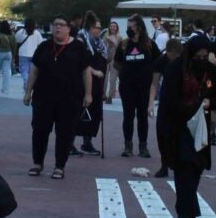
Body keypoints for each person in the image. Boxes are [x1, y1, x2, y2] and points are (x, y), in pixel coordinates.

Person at [155, 34, 216, 218]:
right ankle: (188, 214)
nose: (201, 61)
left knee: (197, 166)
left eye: (205, 57)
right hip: (177, 124)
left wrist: (208, 103)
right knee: (185, 164)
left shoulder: (209, 71)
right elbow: (168, 99)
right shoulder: (176, 69)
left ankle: (184, 206)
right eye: (198, 57)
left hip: (199, 125)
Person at [23, 16, 91, 179]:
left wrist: (88, 94)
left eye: (61, 25)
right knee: (40, 130)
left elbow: (86, 71)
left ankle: (60, 166)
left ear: (68, 28)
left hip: (69, 98)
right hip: (43, 97)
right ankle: (37, 163)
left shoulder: (78, 48)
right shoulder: (44, 47)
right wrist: (28, 92)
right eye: (55, 25)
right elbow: (34, 70)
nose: (58, 28)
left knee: (65, 132)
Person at [114, 15, 159, 158]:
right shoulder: (124, 44)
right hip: (127, 86)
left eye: (130, 26)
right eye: (127, 27)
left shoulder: (149, 44)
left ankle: (143, 146)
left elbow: (158, 62)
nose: (128, 29)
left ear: (138, 27)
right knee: (128, 116)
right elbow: (116, 63)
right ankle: (128, 146)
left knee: (142, 117)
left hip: (144, 86)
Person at [148, 39, 184, 178]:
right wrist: (151, 102)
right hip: (166, 101)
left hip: (181, 102)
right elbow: (154, 84)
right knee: (162, 133)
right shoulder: (161, 61)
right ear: (168, 52)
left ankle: (178, 163)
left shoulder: (185, 62)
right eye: (172, 55)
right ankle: (164, 164)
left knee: (178, 134)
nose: (174, 59)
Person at [76, 15, 107, 155]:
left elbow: (108, 59)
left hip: (97, 85)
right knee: (79, 112)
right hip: (83, 82)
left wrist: (111, 47)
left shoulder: (99, 43)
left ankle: (87, 142)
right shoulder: (82, 39)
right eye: (97, 27)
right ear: (91, 28)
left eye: (100, 28)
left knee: (94, 113)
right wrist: (94, 71)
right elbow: (80, 61)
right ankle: (69, 142)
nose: (99, 30)